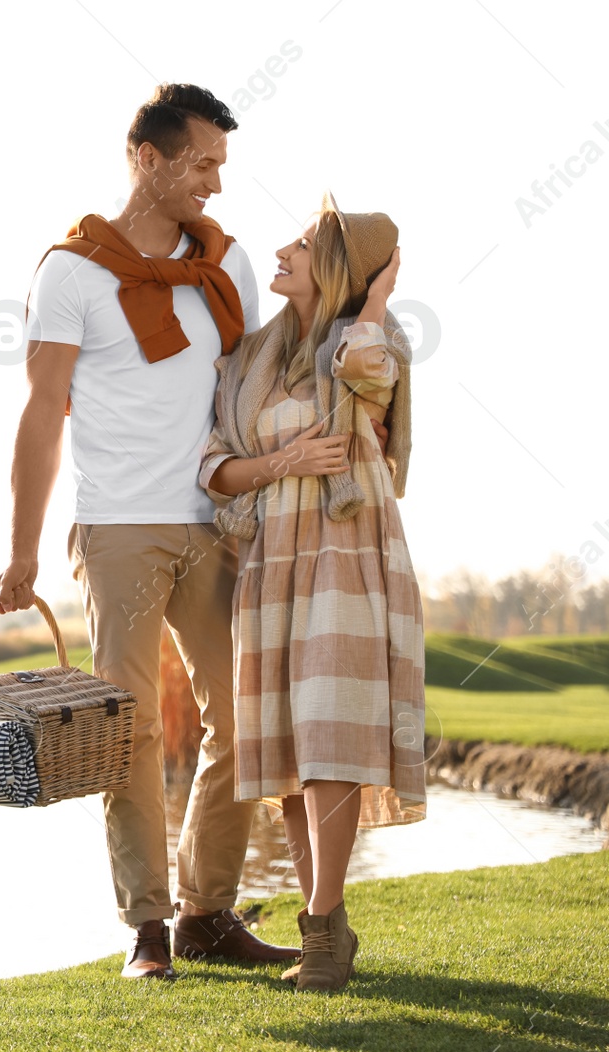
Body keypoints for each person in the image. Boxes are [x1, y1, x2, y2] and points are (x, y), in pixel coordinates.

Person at [0, 83, 307, 980]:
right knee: (127, 729)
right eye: (201, 162)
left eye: (219, 164)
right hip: (120, 525)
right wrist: (23, 549)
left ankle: (208, 910)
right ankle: (148, 927)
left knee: (244, 718)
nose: (214, 181)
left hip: (219, 521)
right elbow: (43, 412)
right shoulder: (71, 272)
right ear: (148, 159)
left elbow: (256, 392)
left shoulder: (229, 267)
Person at [199, 193, 424, 992]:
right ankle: (323, 923)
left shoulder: (368, 341)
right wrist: (280, 464)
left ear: (336, 269)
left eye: (301, 245)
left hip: (345, 549)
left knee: (331, 731)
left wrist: (376, 298)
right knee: (291, 748)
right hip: (272, 558)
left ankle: (323, 932)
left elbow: (369, 370)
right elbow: (214, 464)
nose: (282, 252)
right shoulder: (249, 358)